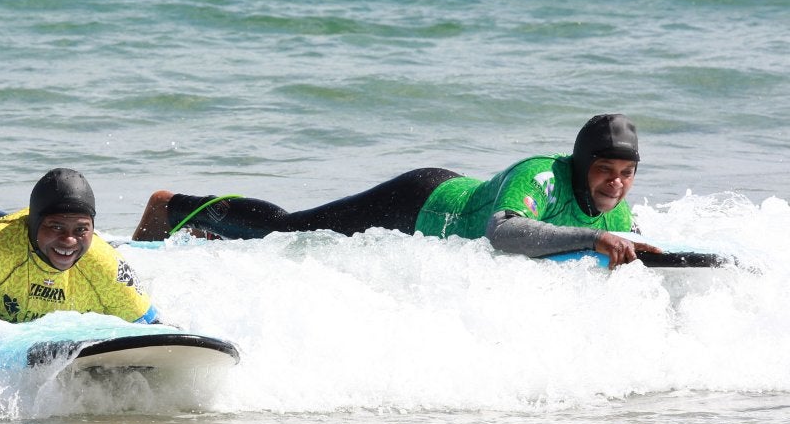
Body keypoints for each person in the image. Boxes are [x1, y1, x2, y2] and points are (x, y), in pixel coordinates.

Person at [131, 113, 662, 267]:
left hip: (441, 206)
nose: (615, 182)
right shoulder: (541, 175)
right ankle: (171, 208)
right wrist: (593, 240)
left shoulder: (617, 211)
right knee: (288, 232)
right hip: (417, 203)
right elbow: (503, 232)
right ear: (581, 164)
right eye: (604, 170)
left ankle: (209, 239)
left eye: (626, 172)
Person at [0, 168, 160, 352]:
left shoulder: (104, 264)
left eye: (81, 229)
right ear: (34, 224)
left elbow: (153, 327)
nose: (69, 240)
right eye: (56, 227)